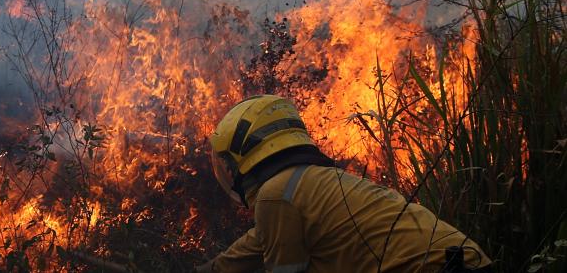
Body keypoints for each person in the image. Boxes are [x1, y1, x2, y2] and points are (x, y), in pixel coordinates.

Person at [197, 95, 492, 273]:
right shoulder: (308, 184)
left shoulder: (276, 196)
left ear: (243, 155)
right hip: (466, 259)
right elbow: (256, 243)